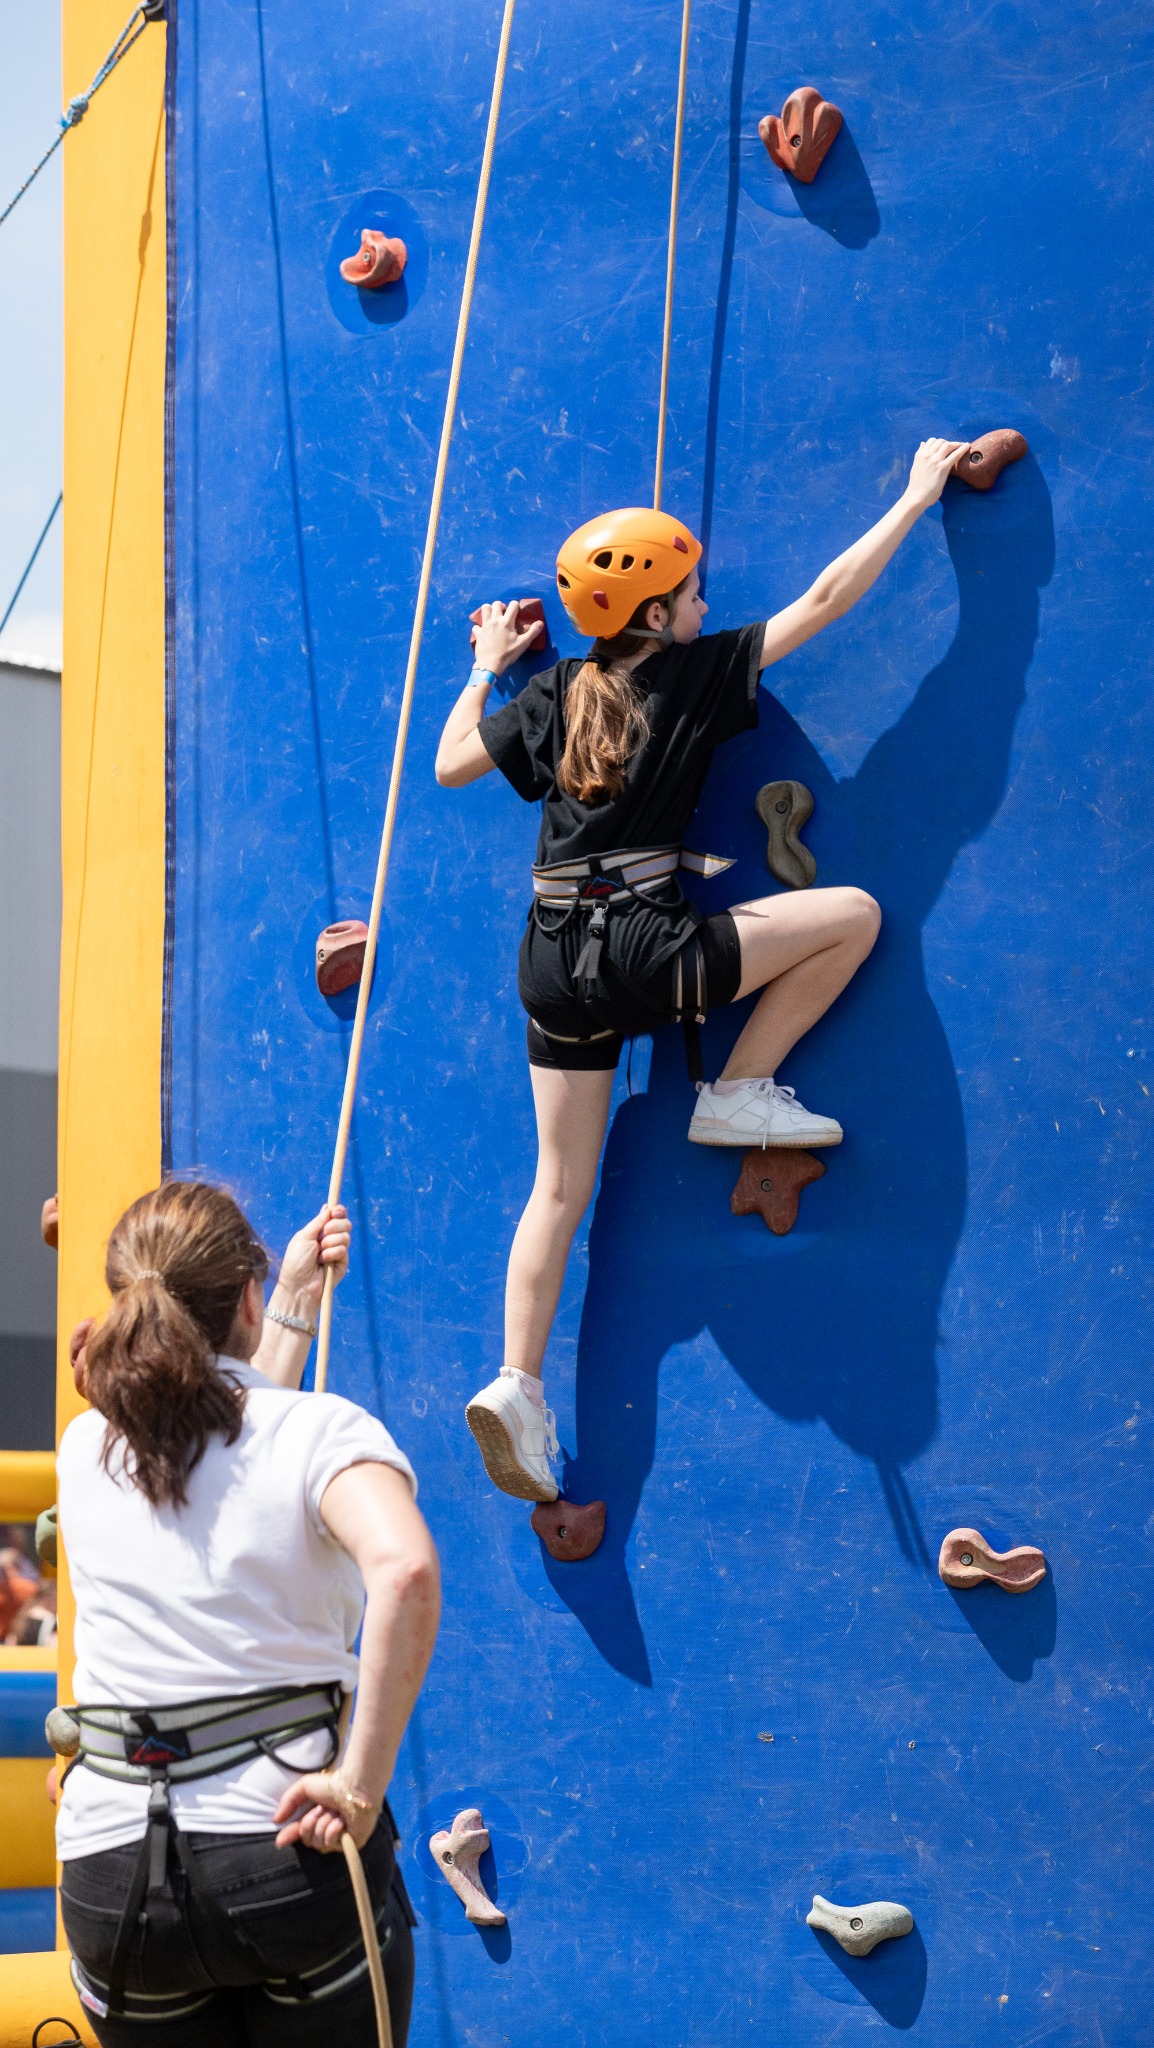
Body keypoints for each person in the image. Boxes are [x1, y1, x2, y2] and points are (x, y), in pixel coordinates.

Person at [435, 436, 968, 1505]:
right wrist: (914, 495)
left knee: (557, 1186)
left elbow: (452, 761)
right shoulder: (693, 670)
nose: (699, 601)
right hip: (646, 950)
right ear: (653, 616)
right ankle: (736, 1089)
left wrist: (489, 663)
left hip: (550, 958)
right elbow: (824, 598)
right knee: (852, 915)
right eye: (686, 591)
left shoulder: (557, 698)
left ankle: (518, 1379)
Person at [55, 1180, 440, 2045]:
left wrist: (294, 1306)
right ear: (244, 1295)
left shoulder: (88, 1447)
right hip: (283, 1859)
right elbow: (405, 1570)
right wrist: (359, 1786)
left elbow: (226, 1451)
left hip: (113, 1879)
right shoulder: (322, 1434)